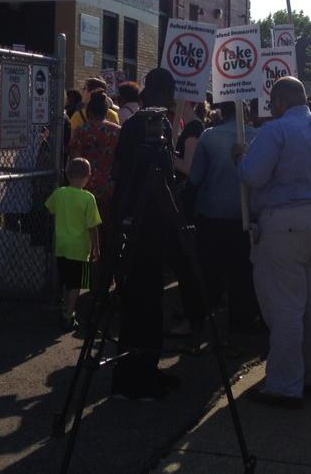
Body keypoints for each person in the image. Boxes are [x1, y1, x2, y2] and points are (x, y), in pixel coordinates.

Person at [236, 77, 311, 408]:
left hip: (286, 220)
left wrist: (241, 160)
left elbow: (253, 176)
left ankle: (286, 385)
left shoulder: (275, 131)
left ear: (278, 102)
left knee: (286, 304)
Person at [110, 68, 198, 400]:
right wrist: (178, 220)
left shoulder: (134, 125)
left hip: (134, 221)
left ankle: (143, 369)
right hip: (144, 226)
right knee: (143, 303)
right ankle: (135, 378)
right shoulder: (146, 127)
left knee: (142, 301)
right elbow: (160, 180)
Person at [189, 101, 260, 338]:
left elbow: (196, 177)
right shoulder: (260, 137)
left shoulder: (209, 136)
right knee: (242, 276)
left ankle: (202, 325)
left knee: (209, 273)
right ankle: (238, 329)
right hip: (246, 217)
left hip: (213, 215)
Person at [44, 157, 102, 331]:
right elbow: (93, 226)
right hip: (80, 248)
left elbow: (49, 209)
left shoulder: (59, 193)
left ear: (67, 175)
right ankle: (69, 314)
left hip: (62, 245)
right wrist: (96, 248)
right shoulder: (88, 198)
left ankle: (63, 308)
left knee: (65, 279)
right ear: (88, 176)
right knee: (76, 283)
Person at [67, 91, 121, 260]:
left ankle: (87, 267)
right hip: (109, 188)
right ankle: (107, 267)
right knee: (108, 230)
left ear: (89, 111)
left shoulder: (81, 131)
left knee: (86, 232)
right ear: (106, 112)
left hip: (85, 187)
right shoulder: (117, 132)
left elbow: (75, 161)